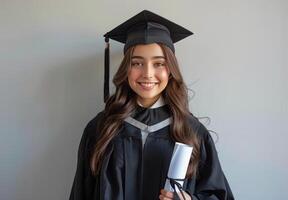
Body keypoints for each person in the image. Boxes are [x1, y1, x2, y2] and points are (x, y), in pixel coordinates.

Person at [69, 10, 234, 200]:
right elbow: (81, 193)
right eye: (137, 63)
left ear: (171, 70)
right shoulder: (101, 128)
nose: (147, 73)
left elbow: (219, 195)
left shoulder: (192, 131)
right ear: (126, 69)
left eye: (159, 63)